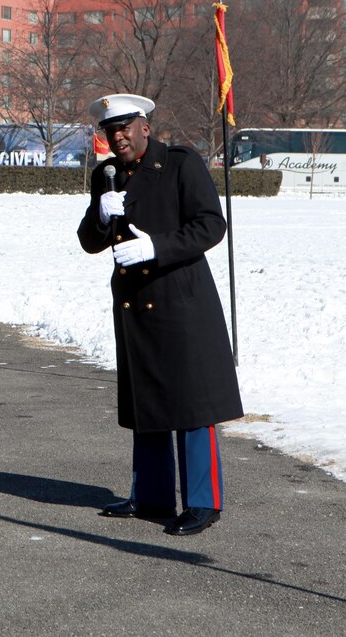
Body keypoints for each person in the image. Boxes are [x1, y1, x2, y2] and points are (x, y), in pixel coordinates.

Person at [77, 93, 243, 537]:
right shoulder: (106, 176)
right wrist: (99, 214)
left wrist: (157, 246)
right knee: (146, 401)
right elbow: (90, 242)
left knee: (191, 405)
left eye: (125, 128)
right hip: (135, 304)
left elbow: (211, 224)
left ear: (145, 127)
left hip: (181, 301)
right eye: (110, 130)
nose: (117, 137)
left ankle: (203, 503)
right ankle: (150, 496)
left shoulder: (180, 164)